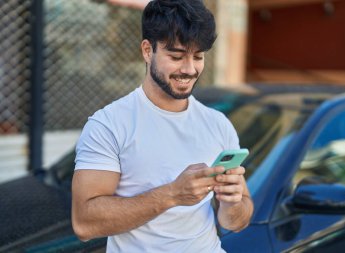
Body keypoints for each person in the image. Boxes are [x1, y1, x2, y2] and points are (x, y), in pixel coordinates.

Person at [72, 0, 254, 252]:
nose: (190, 69)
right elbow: (84, 224)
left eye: (198, 56)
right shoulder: (109, 124)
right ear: (148, 51)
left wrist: (232, 203)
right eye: (177, 56)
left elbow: (236, 222)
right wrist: (172, 194)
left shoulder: (218, 124)